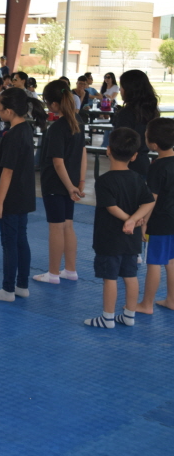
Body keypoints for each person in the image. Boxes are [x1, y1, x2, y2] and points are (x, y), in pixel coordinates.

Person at [85, 128, 154, 328]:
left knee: (110, 278)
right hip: (131, 240)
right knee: (130, 276)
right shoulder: (137, 178)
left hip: (109, 238)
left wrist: (129, 220)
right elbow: (149, 202)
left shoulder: (104, 181)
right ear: (134, 156)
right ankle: (129, 315)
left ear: (108, 150)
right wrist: (134, 219)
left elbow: (111, 206)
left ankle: (107, 318)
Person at [33, 80, 87, 285]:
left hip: (57, 183)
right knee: (68, 225)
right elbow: (83, 152)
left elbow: (57, 162)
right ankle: (70, 270)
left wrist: (70, 186)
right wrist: (79, 181)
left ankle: (53, 273)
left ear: (54, 104)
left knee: (56, 228)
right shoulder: (78, 121)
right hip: (70, 180)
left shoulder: (57, 127)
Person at [0, 88, 37, 302]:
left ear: (9, 111)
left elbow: (7, 171)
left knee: (9, 242)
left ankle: (7, 288)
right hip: (23, 194)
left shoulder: (13, 135)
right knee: (21, 239)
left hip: (11, 197)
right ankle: (21, 285)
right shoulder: (25, 129)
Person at [137, 118, 174, 314]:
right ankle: (172, 300)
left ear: (154, 144)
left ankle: (147, 304)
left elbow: (152, 199)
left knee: (154, 263)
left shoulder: (157, 166)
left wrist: (144, 222)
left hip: (160, 221)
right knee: (171, 261)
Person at [111, 70, 159, 179]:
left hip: (126, 165)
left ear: (130, 89)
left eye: (122, 86)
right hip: (143, 163)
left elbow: (121, 143)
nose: (120, 90)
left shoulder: (126, 113)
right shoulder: (151, 111)